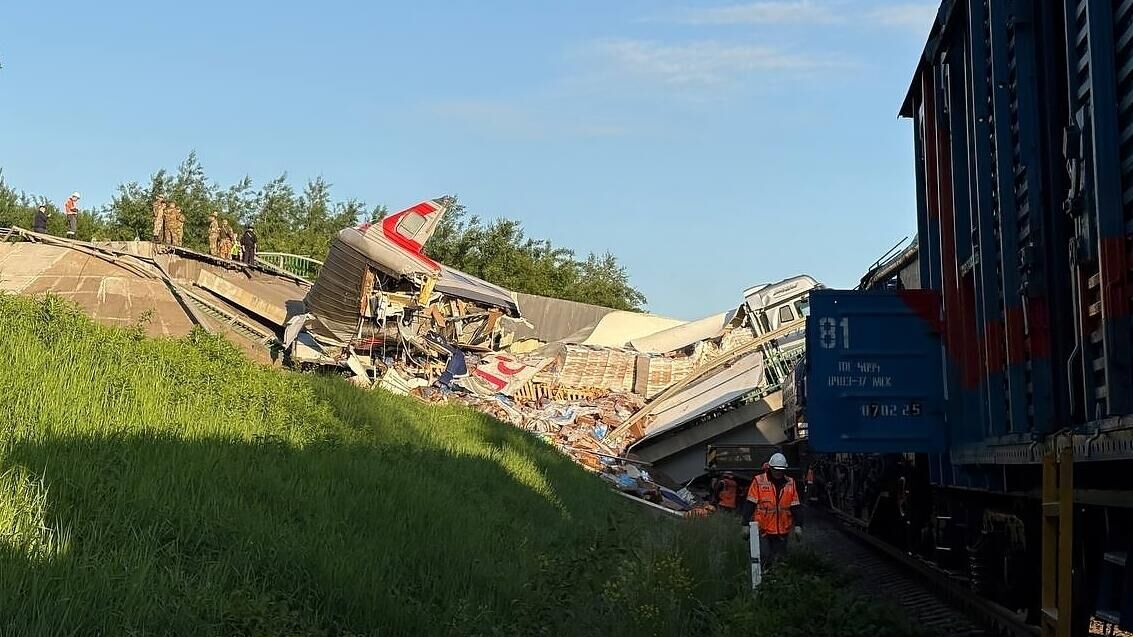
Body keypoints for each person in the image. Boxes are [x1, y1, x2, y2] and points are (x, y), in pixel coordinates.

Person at [740, 452, 802, 569]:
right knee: (764, 556)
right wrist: (745, 524)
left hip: (782, 530)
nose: (778, 472)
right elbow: (750, 504)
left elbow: (796, 506)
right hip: (763, 529)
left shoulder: (790, 483)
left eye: (781, 470)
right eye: (776, 469)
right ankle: (763, 581)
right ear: (770, 468)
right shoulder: (759, 481)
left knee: (780, 560)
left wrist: (799, 525)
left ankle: (776, 582)